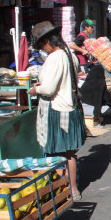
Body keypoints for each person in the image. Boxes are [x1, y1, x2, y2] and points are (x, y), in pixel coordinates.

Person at [28, 21, 86, 201]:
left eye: (41, 45)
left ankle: (67, 190)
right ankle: (72, 190)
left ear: (47, 41)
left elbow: (50, 88)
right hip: (71, 106)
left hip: (58, 109)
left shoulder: (55, 57)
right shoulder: (69, 53)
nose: (43, 49)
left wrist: (36, 89)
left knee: (61, 154)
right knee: (69, 153)